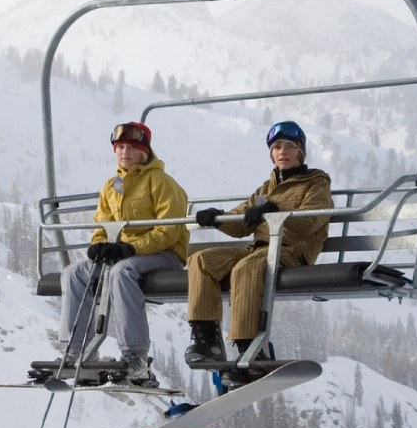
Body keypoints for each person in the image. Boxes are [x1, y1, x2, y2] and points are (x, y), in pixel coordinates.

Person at [185, 120, 333, 374]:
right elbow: (241, 223)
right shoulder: (267, 188)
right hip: (259, 249)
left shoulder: (316, 184)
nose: (282, 152)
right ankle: (207, 340)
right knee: (201, 260)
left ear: (301, 152)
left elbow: (310, 221)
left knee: (246, 267)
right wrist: (218, 218)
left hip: (290, 251)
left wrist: (276, 209)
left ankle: (250, 347)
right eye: (277, 147)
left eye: (290, 146)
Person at [57, 121, 189, 386]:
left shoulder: (162, 182)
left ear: (145, 152)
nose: (124, 152)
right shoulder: (111, 186)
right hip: (125, 255)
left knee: (121, 272)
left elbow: (169, 231)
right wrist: (99, 245)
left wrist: (130, 248)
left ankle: (136, 357)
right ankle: (74, 352)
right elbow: (102, 225)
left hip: (163, 256)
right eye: (120, 147)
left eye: (131, 147)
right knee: (73, 272)